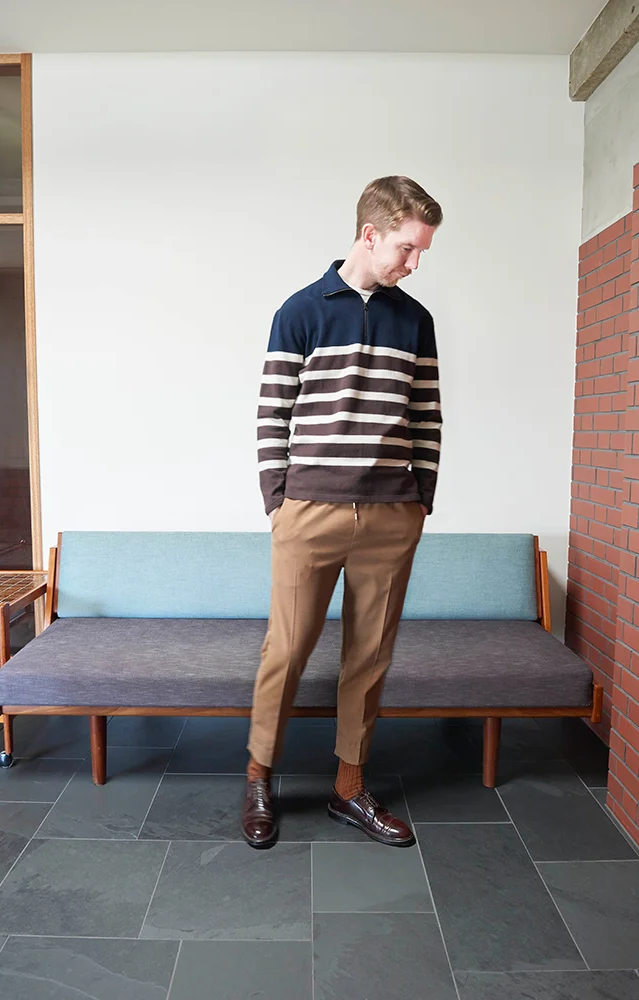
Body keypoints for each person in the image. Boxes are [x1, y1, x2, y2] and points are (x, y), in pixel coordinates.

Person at [242, 175, 443, 849]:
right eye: (407, 248)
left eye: (421, 251)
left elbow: (426, 415)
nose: (414, 263)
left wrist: (421, 499)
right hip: (310, 512)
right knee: (287, 648)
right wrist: (278, 501)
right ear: (370, 234)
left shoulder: (414, 320)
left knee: (370, 655)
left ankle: (349, 788)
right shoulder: (299, 311)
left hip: (391, 514)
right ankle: (258, 777)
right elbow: (272, 411)